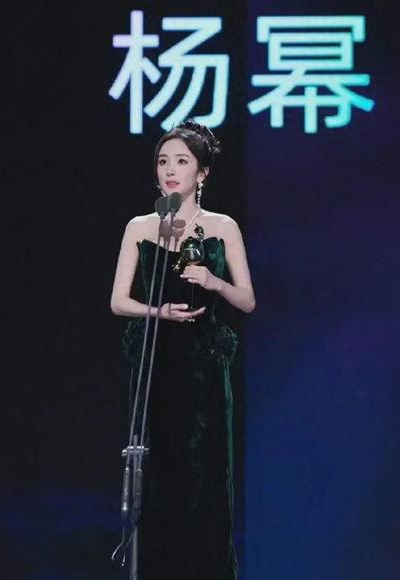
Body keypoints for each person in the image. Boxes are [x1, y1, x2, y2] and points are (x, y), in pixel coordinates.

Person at [110, 120, 255, 580]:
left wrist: (214, 281)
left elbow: (247, 300)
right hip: (158, 363)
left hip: (204, 367)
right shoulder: (141, 226)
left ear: (202, 173)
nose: (170, 170)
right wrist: (159, 312)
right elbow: (118, 302)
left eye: (181, 161)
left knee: (205, 479)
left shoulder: (222, 227)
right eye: (163, 161)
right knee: (159, 475)